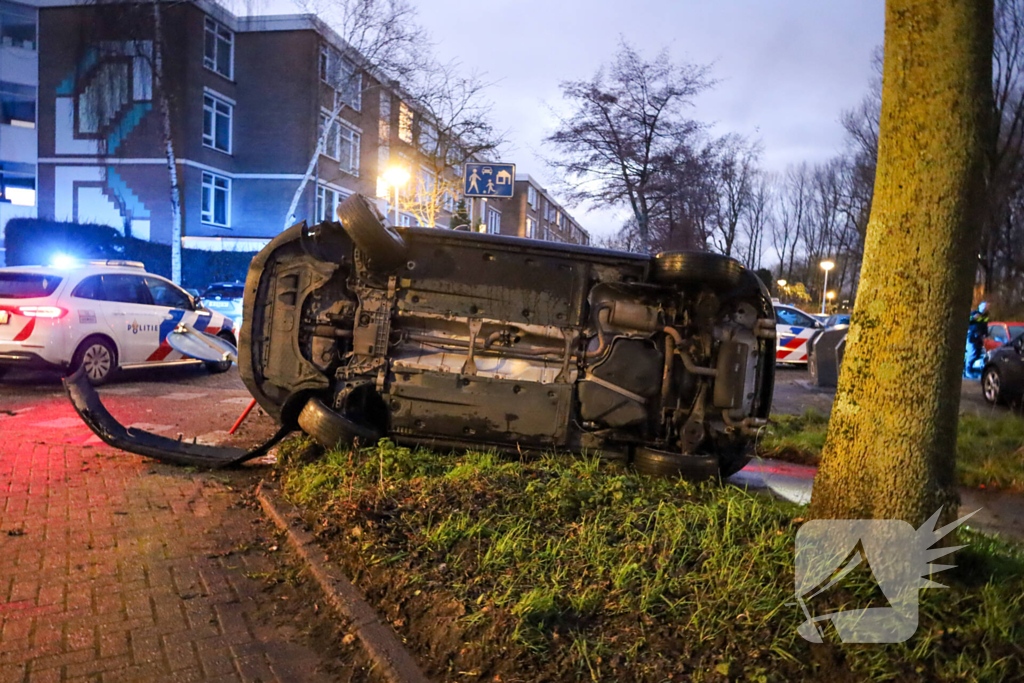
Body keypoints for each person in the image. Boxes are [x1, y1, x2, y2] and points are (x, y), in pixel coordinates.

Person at [965, 301, 989, 378]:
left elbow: (984, 326)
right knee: (972, 353)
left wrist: (985, 334)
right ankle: (967, 370)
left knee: (979, 353)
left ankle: (975, 370)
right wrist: (973, 318)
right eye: (986, 307)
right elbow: (967, 320)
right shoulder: (974, 314)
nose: (987, 309)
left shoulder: (985, 316)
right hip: (971, 336)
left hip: (978, 337)